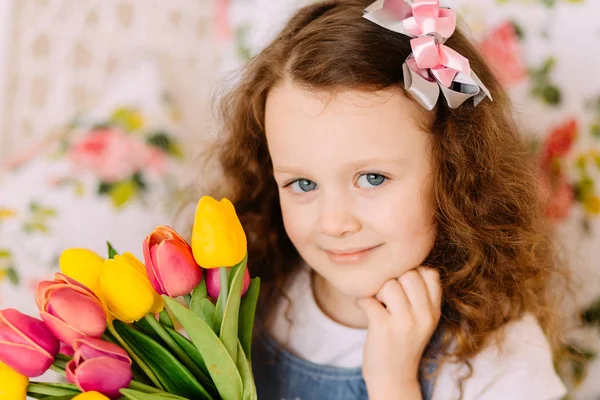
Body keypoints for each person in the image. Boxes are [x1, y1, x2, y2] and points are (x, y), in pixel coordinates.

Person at [198, 0, 570, 398]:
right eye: (303, 185)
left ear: (454, 171)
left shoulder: (501, 355)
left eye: (372, 178)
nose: (334, 223)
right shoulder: (248, 306)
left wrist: (393, 383)